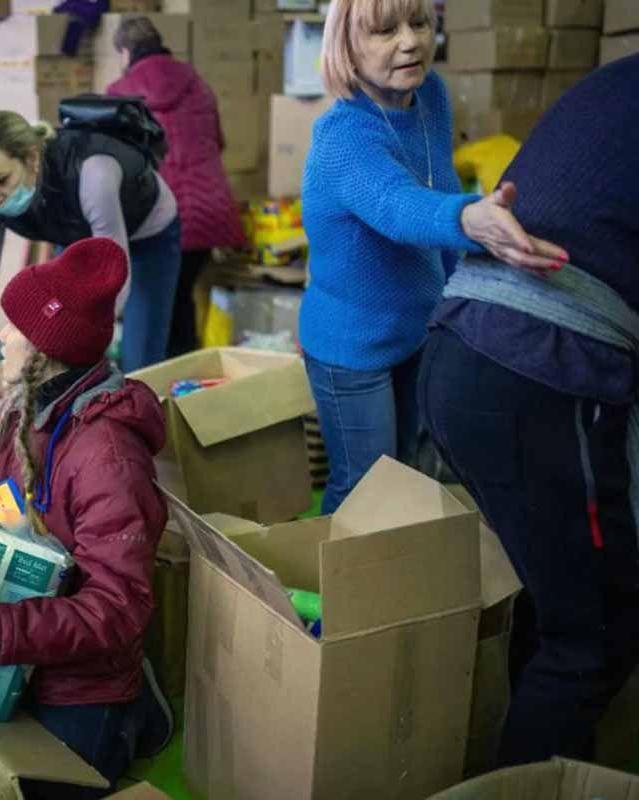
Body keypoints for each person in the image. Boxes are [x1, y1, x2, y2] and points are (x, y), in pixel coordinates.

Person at [421, 55, 639, 768]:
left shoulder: (617, 78)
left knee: (553, 599)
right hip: (537, 372)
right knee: (599, 636)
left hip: (461, 352)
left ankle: (518, 766)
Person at [298, 0, 567, 514]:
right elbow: (396, 205)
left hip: (414, 330)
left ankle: (401, 585)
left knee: (405, 475)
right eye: (384, 30)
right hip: (351, 348)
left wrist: (455, 300)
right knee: (362, 487)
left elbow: (438, 181)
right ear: (346, 47)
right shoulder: (343, 138)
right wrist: (471, 220)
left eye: (419, 23)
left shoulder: (430, 98)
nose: (410, 41)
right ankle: (335, 590)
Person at [0, 237, 173, 796]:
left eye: (12, 327)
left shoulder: (106, 457)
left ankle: (131, 711)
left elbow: (119, 604)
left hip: (77, 682)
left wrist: (4, 628)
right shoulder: (15, 410)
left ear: (44, 349)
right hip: (15, 644)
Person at [0, 109, 180, 390]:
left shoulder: (93, 173)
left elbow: (116, 274)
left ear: (31, 157)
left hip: (148, 233)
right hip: (77, 231)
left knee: (138, 362)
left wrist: (81, 344)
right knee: (58, 357)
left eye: (1, 181)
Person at [106, 17, 245, 357]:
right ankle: (187, 382)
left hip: (159, 215)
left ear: (125, 53)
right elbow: (218, 141)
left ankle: (164, 386)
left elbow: (113, 166)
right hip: (208, 208)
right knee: (180, 297)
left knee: (155, 304)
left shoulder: (118, 95)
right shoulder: (197, 83)